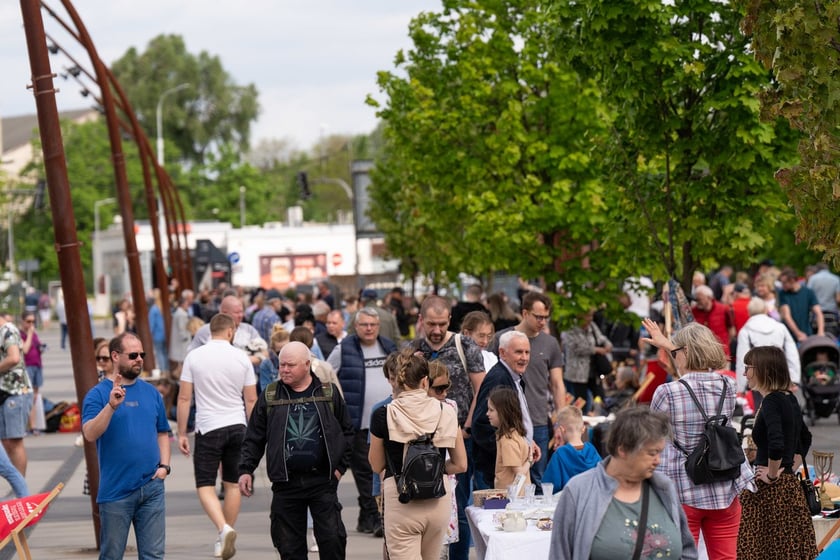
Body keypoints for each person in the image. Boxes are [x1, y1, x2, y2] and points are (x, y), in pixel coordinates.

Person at [644, 320, 753, 560]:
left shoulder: (667, 392)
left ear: (683, 353)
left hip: (683, 487)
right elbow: (691, 366)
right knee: (726, 557)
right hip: (724, 483)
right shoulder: (728, 384)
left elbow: (650, 436)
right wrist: (669, 344)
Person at [238, 341, 353, 560]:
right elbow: (254, 437)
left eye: (290, 365)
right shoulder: (271, 395)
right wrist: (245, 469)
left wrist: (339, 468)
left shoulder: (328, 393)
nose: (284, 370)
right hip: (285, 485)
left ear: (307, 365)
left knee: (332, 541)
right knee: (289, 548)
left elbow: (347, 432)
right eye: (281, 365)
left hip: (322, 482)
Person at [548, 407, 697, 560]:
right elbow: (560, 554)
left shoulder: (664, 487)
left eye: (659, 453)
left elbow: (687, 551)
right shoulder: (578, 491)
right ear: (623, 449)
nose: (658, 461)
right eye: (652, 453)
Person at [368, 349, 467, 560]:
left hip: (401, 497)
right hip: (438, 497)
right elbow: (460, 464)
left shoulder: (383, 414)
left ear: (395, 381)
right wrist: (437, 467)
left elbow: (376, 465)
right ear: (425, 381)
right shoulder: (447, 411)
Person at [81, 333, 171, 560]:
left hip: (152, 487)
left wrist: (164, 467)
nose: (139, 359)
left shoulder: (151, 393)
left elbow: (162, 432)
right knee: (112, 555)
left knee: (154, 555)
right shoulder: (98, 394)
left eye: (142, 354)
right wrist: (111, 406)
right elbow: (90, 433)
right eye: (133, 355)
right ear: (115, 356)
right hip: (116, 491)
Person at [177, 313, 258, 560]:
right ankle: (225, 532)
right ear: (231, 331)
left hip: (208, 427)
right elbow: (251, 399)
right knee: (233, 483)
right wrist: (253, 433)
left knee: (205, 485)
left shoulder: (194, 357)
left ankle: (223, 529)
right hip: (237, 426)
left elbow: (184, 398)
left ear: (209, 332)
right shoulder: (242, 358)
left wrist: (181, 432)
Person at [412, 295, 485, 560]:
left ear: (449, 321)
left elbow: (481, 389)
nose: (436, 330)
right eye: (431, 323)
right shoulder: (413, 349)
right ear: (421, 320)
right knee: (423, 507)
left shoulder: (464, 345)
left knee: (457, 503)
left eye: (442, 324)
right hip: (420, 443)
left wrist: (465, 428)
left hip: (457, 439)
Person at [737, 346, 817, 560]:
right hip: (788, 488)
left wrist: (773, 474)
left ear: (762, 369)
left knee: (759, 550)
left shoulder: (772, 400)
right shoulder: (788, 397)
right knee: (787, 550)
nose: (745, 373)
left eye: (748, 367)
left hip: (769, 491)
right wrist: (788, 468)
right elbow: (805, 438)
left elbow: (777, 442)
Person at [326, 307, 397, 535]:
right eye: (364, 325)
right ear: (355, 327)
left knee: (384, 470)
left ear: (378, 326)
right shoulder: (344, 349)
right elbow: (325, 375)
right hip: (358, 424)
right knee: (366, 472)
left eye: (373, 325)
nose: (369, 329)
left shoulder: (388, 346)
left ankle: (368, 517)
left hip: (389, 422)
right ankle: (376, 517)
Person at [488, 291, 564, 488]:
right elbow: (488, 376)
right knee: (507, 479)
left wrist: (560, 421)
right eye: (538, 316)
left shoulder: (550, 343)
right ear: (525, 313)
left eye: (546, 317)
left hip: (537, 419)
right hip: (508, 423)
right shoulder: (503, 339)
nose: (543, 322)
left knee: (537, 480)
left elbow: (557, 384)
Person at [471, 330, 538, 491]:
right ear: (502, 353)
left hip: (513, 464)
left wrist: (527, 442)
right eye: (518, 352)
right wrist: (509, 448)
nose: (524, 357)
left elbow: (513, 419)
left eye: (527, 352)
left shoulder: (514, 376)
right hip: (497, 472)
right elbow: (481, 424)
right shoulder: (499, 378)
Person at [735, 297, 800, 395]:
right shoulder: (780, 327)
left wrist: (741, 386)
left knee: (761, 407)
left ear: (749, 312)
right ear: (765, 310)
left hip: (758, 378)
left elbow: (742, 360)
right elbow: (792, 354)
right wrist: (794, 379)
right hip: (780, 375)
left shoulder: (745, 331)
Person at [426, 360, 459, 551]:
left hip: (444, 478)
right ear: (424, 385)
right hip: (414, 482)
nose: (444, 393)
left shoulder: (449, 406)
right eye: (439, 389)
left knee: (440, 547)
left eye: (447, 387)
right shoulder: (407, 408)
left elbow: (459, 460)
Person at [561, 309, 612, 413]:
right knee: (581, 401)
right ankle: (581, 419)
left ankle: (600, 415)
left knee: (599, 396)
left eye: (591, 316)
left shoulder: (592, 326)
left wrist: (608, 344)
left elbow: (601, 338)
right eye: (587, 316)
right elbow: (577, 347)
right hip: (577, 373)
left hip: (594, 371)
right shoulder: (570, 328)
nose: (590, 319)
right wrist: (596, 349)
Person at [0, 313, 33, 475]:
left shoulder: (7, 330)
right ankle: (18, 488)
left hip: (16, 392)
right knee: (7, 441)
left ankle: (20, 490)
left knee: (14, 441)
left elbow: (14, 358)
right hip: (6, 393)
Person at [543, 406, 600, 492]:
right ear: (583, 429)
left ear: (562, 430)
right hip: (591, 501)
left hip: (568, 502)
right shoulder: (592, 450)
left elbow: (549, 485)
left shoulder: (560, 454)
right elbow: (602, 476)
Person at [486, 387, 531, 492]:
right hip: (520, 495)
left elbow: (519, 474)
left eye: (491, 410)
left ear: (504, 412)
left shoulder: (507, 440)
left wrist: (530, 461)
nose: (487, 414)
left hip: (511, 498)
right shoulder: (516, 434)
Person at [779, 267, 825, 342]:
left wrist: (821, 331)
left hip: (807, 332)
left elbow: (819, 313)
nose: (782, 285)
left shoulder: (808, 292)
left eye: (784, 283)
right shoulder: (783, 293)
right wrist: (798, 333)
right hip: (789, 334)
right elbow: (786, 316)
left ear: (792, 280)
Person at [20, 311, 44, 434]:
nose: (31, 324)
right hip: (27, 366)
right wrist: (29, 334)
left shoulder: (33, 333)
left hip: (37, 365)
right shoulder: (20, 334)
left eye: (33, 321)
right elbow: (25, 349)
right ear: (22, 321)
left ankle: (33, 426)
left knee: (34, 397)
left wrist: (41, 347)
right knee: (27, 397)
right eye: (28, 321)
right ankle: (29, 425)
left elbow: (37, 345)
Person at [168, 294, 191, 378]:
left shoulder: (177, 312)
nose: (188, 305)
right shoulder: (182, 314)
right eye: (187, 303)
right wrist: (185, 337)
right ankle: (181, 376)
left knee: (180, 362)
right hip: (182, 343)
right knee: (182, 361)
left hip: (179, 341)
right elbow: (182, 328)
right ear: (183, 304)